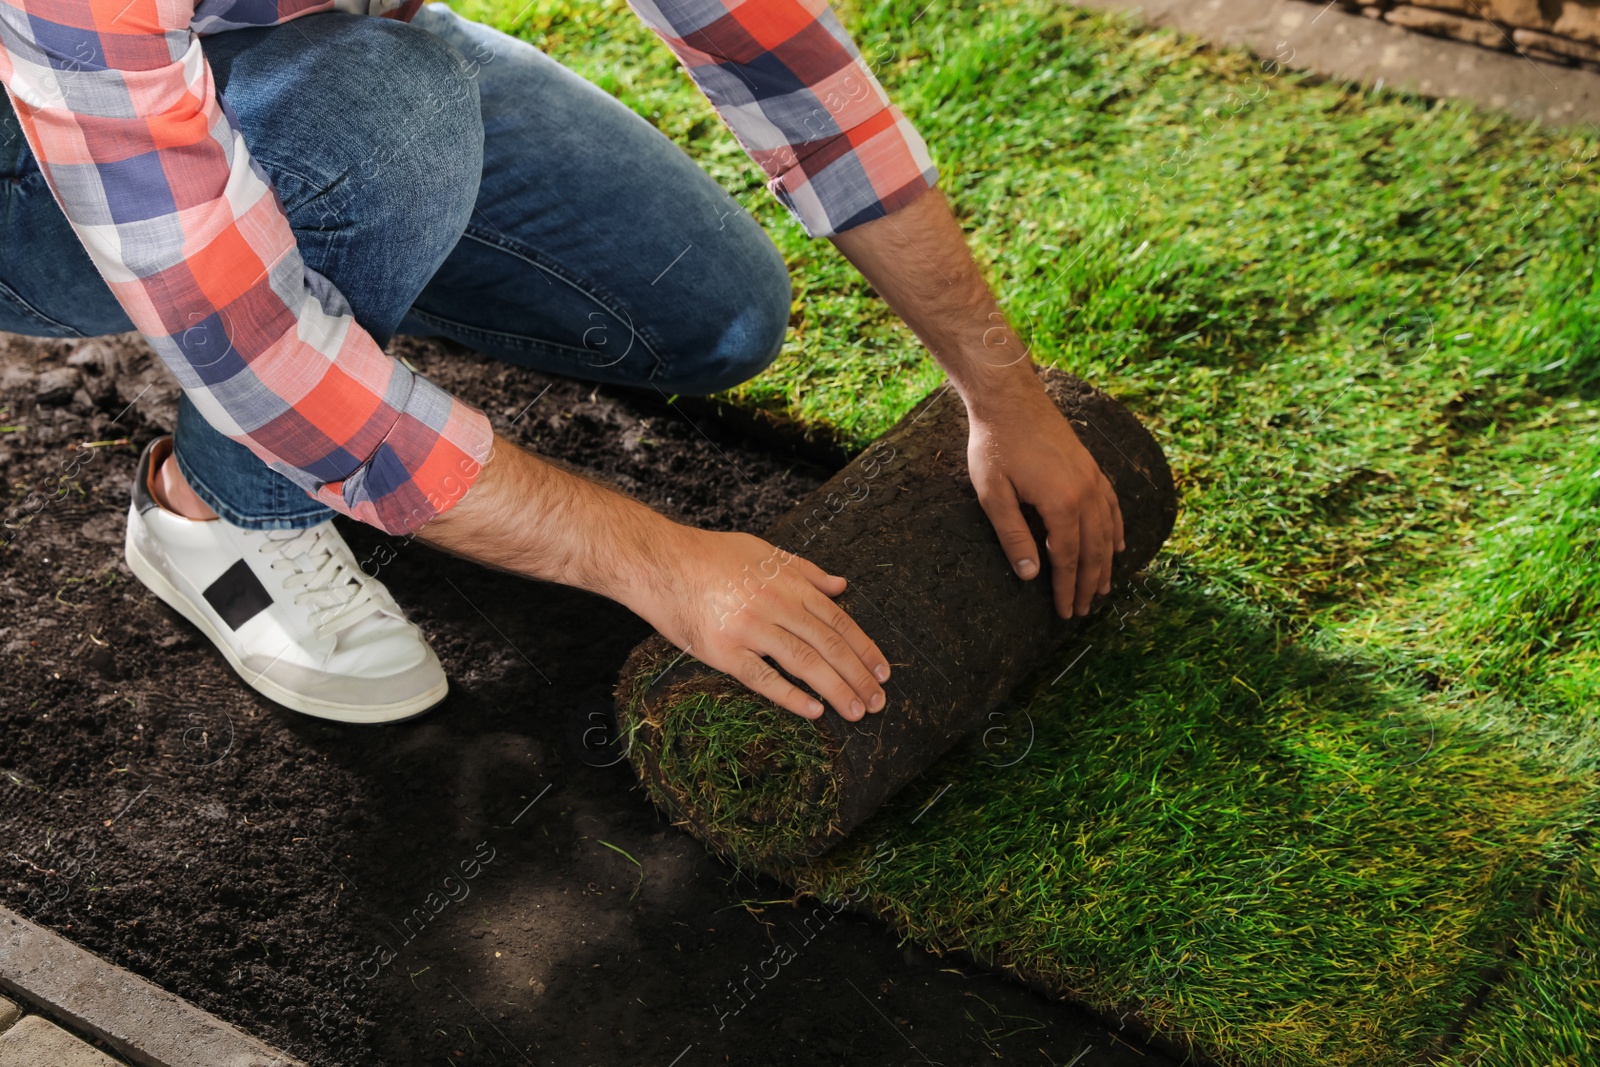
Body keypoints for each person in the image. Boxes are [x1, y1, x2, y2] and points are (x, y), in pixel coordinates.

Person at [0, 0, 1124, 725]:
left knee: (717, 316)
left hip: (309, 37)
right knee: (383, 118)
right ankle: (219, 516)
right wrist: (657, 560)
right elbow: (247, 347)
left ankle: (340, 235)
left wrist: (1000, 389)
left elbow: (788, 70)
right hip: (43, 143)